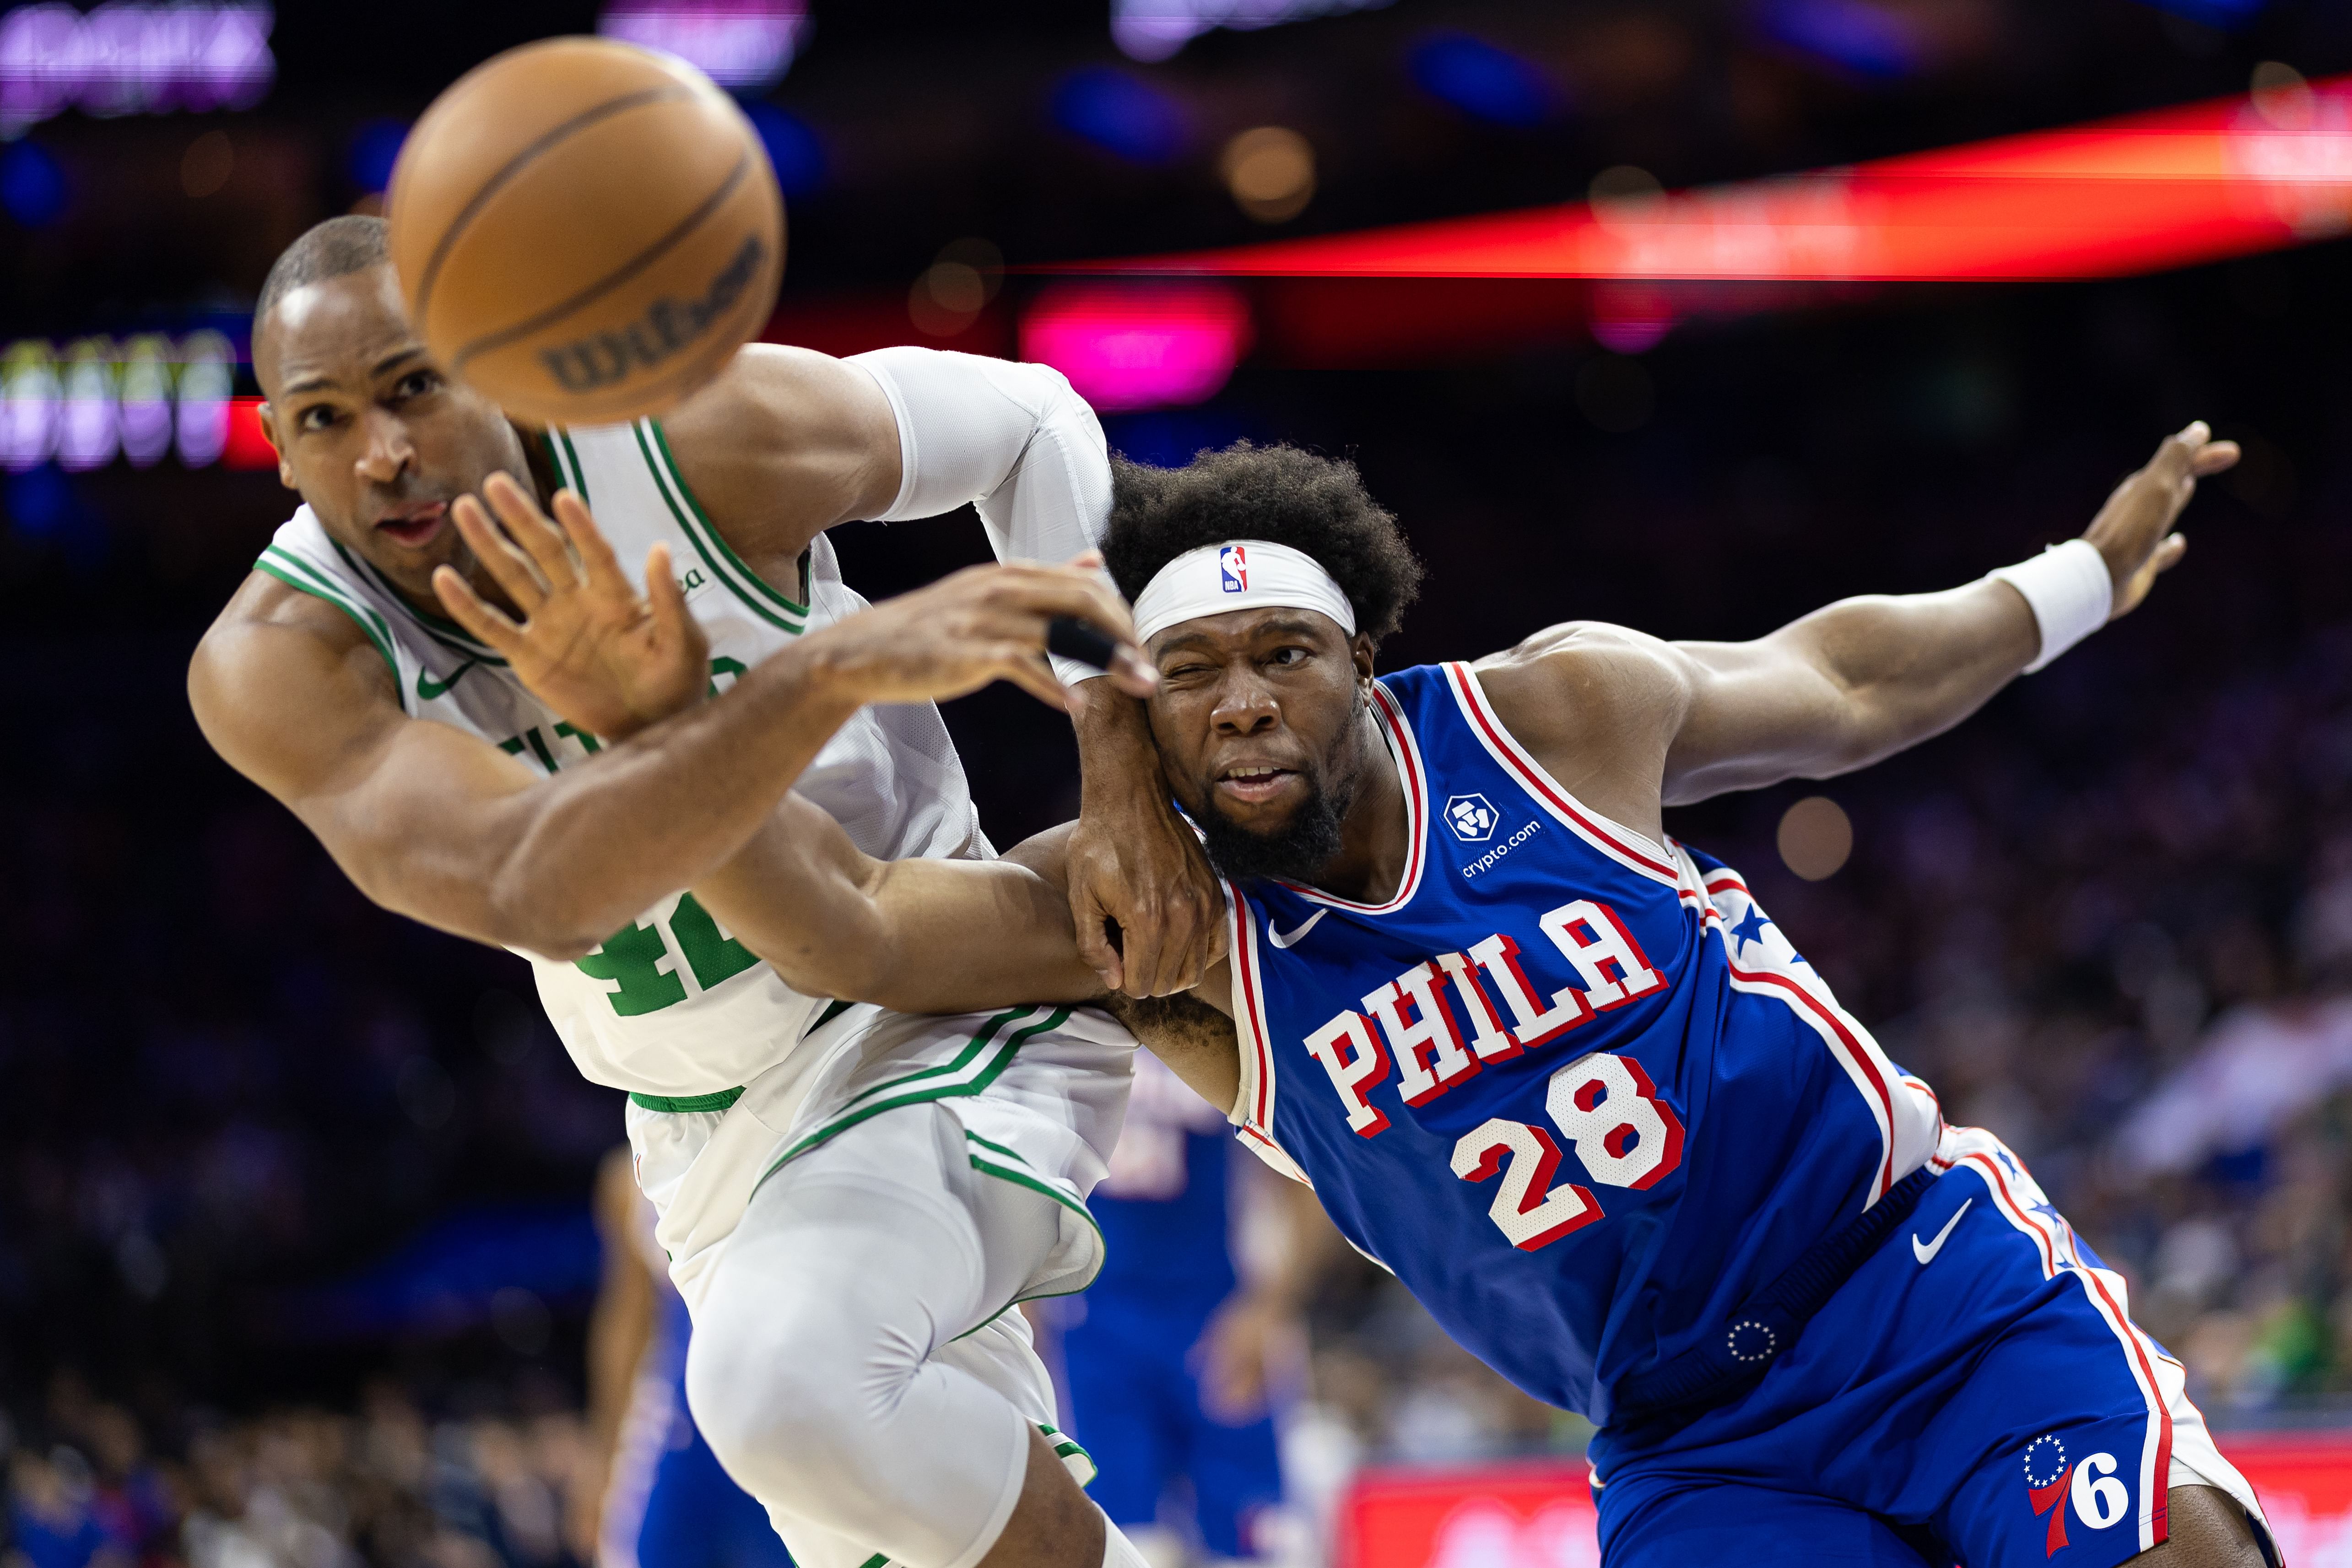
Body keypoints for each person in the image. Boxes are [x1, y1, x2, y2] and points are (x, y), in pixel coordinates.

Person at [475, 422, 2280, 1568]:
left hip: (1924, 1286)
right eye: (1192, 672)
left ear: (1366, 659)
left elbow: (1847, 679)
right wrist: (662, 727)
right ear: (1142, 709)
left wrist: (2071, 580)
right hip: (1694, 1433)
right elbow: (856, 924)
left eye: (1285, 656)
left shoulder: (1548, 716)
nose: (1245, 698)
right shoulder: (1147, 921)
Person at [188, 213, 1229, 1568]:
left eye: (413, 385)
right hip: (702, 1140)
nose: (380, 450)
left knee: (779, 1386)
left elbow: (1033, 417)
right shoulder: (282, 661)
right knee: (882, 1490)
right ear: (277, 442)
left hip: (933, 986)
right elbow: (535, 885)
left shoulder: (685, 438)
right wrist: (818, 675)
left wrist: (1119, 756)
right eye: (325, 418)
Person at [1055, 1054, 1333, 1567]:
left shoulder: (1210, 1028)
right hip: (1096, 1322)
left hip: (1216, 1315)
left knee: (1253, 1541)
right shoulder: (1060, 1033)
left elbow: (1312, 1178)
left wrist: (1271, 1307)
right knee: (1123, 1542)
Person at [579, 1149, 793, 1568]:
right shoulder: (631, 1174)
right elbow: (628, 1323)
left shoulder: (808, 1135)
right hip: (676, 1441)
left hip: (785, 1431)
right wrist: (601, 1455)